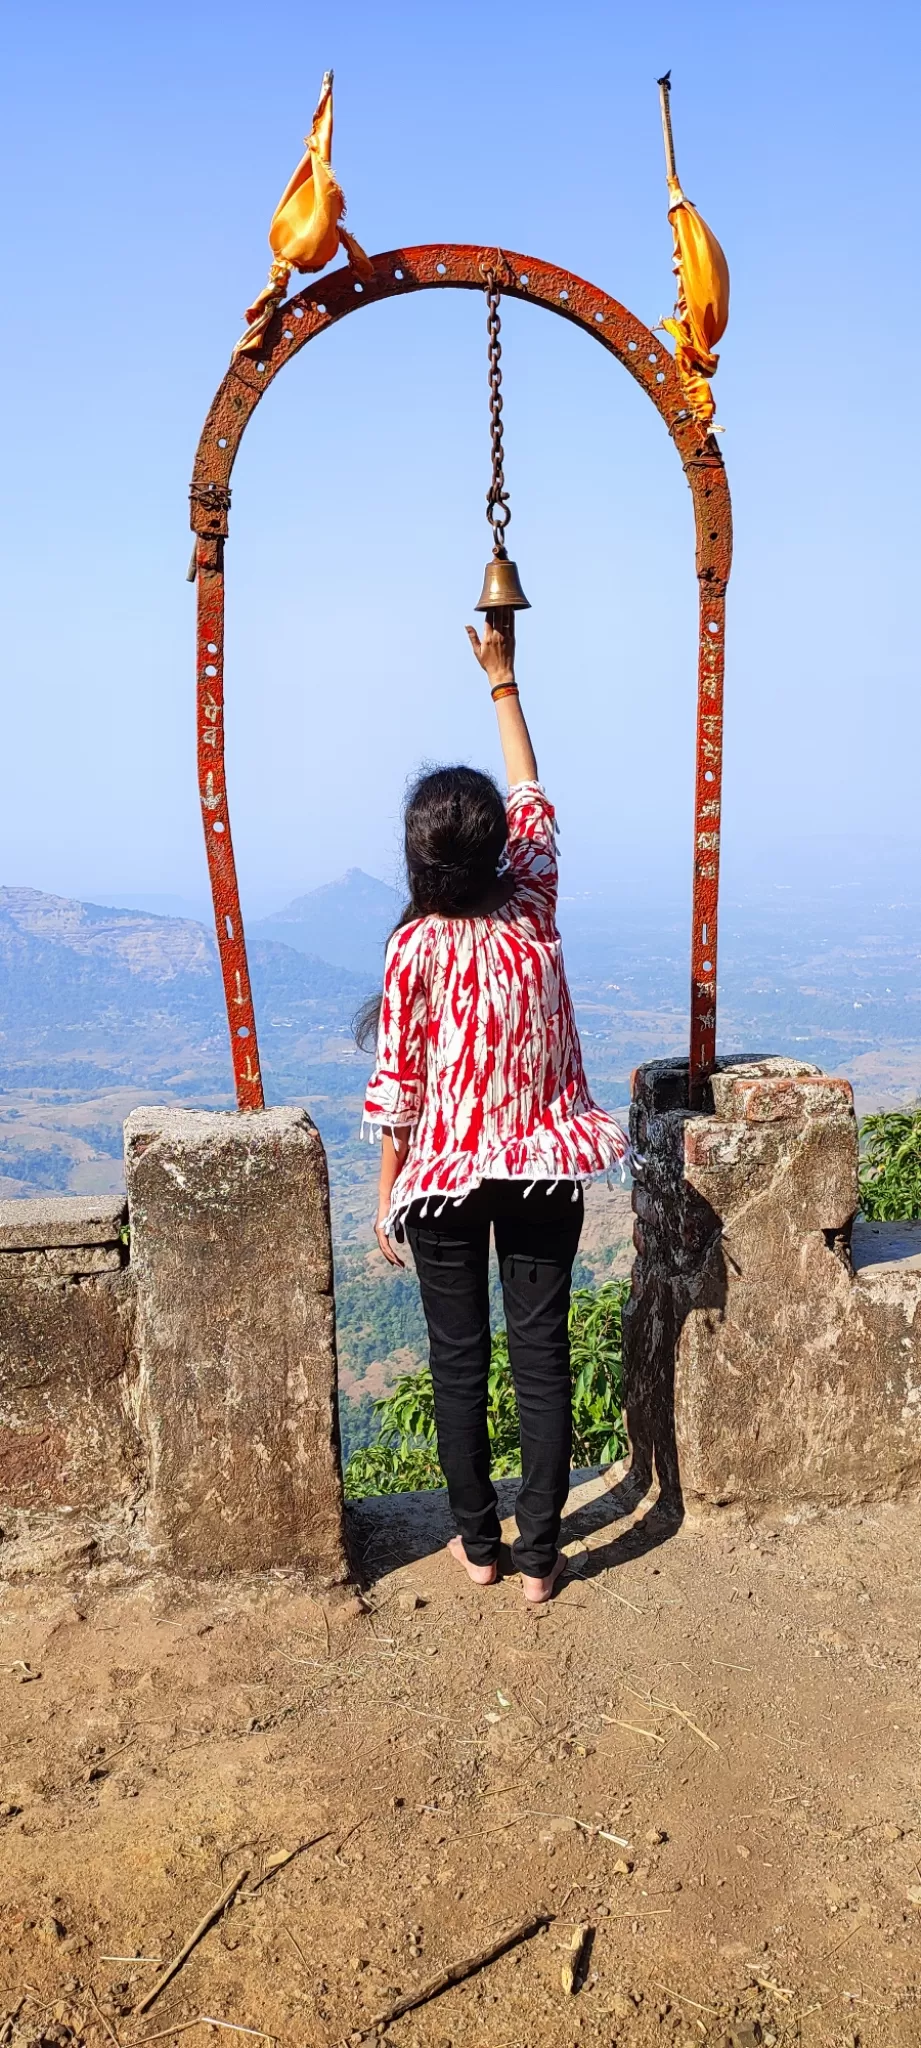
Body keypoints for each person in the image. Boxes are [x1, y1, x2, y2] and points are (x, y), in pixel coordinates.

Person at [358, 614, 628, 1603]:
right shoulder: (535, 908)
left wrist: (388, 1190)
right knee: (542, 1357)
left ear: (418, 860)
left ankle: (479, 1544)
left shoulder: (414, 946)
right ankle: (543, 1555)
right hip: (545, 1164)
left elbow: (400, 1086)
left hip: (443, 1175)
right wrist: (503, 678)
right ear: (501, 850)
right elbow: (535, 795)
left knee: (458, 1361)